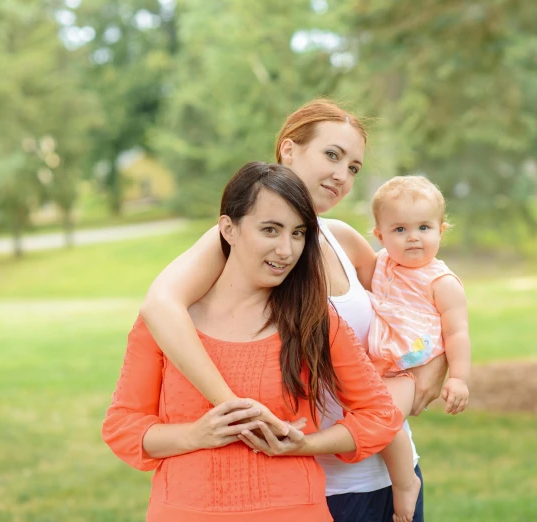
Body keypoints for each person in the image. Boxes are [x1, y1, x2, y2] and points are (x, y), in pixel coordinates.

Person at [139, 99, 448, 522]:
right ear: (289, 150)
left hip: (390, 471)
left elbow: (419, 300)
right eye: (332, 155)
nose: (342, 175)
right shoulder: (242, 238)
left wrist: (436, 363)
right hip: (317, 484)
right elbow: (159, 306)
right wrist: (234, 409)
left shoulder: (341, 238)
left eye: (354, 167)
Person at [102, 162, 403, 521]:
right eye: (270, 230)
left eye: (297, 233)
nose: (286, 250)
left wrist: (305, 445)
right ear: (228, 229)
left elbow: (380, 415)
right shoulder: (165, 322)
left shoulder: (314, 319)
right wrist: (196, 435)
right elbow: (123, 427)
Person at [365, 175, 472, 519]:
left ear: (442, 230)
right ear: (379, 236)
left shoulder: (441, 282)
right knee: (373, 416)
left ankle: (404, 483)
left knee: (384, 418)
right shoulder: (380, 263)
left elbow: (457, 333)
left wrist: (458, 378)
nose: (413, 237)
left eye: (424, 227)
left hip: (407, 368)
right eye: (399, 230)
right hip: (378, 364)